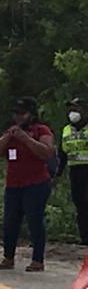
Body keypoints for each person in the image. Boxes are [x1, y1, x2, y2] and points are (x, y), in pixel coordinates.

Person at [0, 97, 55, 271]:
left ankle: (38, 260)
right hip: (14, 185)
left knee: (35, 221)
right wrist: (7, 137)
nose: (18, 117)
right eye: (16, 113)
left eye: (22, 113)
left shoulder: (42, 130)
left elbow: (47, 152)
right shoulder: (11, 132)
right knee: (10, 222)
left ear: (31, 114)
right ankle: (8, 257)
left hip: (36, 183)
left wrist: (25, 139)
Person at [56, 98, 88, 245]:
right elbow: (62, 154)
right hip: (75, 172)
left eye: (76, 109)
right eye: (71, 109)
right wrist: (58, 173)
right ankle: (85, 238)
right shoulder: (66, 130)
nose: (73, 112)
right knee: (81, 205)